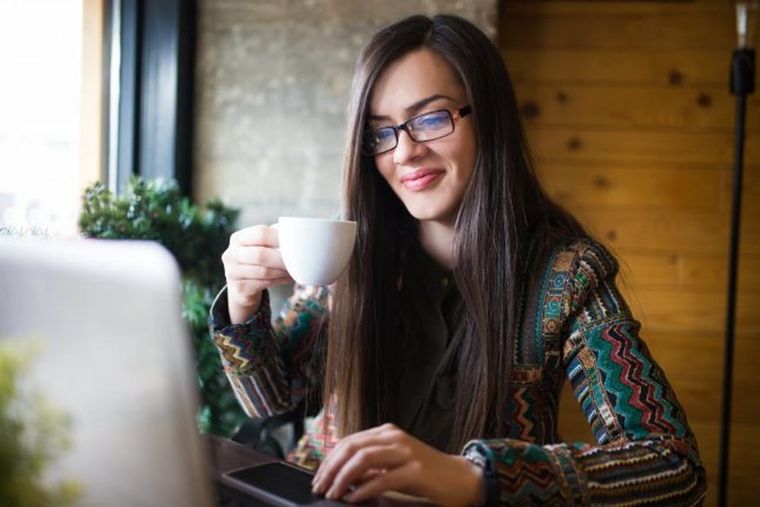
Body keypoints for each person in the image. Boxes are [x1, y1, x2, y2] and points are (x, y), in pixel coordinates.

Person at [210, 14, 706, 506]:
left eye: (430, 118)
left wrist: (475, 477)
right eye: (380, 133)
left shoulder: (567, 276)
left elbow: (672, 465)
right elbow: (273, 400)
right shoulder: (350, 249)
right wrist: (244, 304)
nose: (403, 152)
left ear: (487, 117)